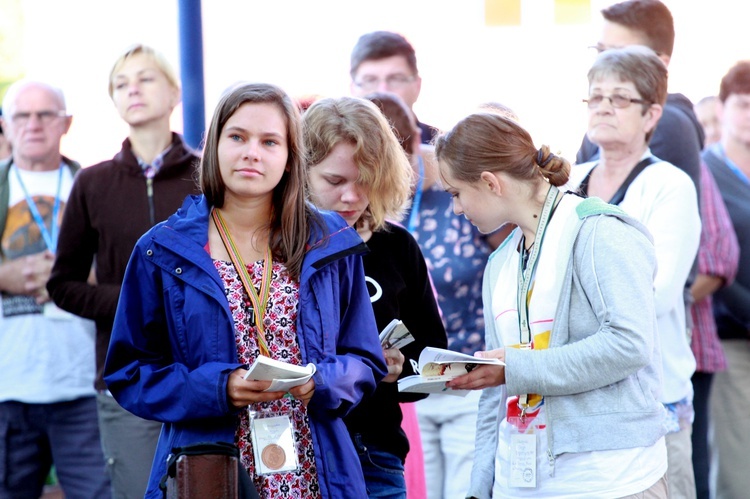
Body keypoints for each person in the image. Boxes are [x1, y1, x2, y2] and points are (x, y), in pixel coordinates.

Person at [103, 82, 387, 499]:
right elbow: (129, 373)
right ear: (215, 144)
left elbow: (365, 359)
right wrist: (219, 387)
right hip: (210, 466)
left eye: (270, 141)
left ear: (291, 158)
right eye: (237, 137)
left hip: (316, 469)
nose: (252, 152)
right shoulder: (160, 249)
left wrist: (321, 381)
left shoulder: (331, 240)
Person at [435, 111, 668, 498]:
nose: (456, 209)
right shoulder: (499, 263)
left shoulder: (600, 232)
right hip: (520, 484)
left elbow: (629, 344)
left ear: (490, 182)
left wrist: (516, 366)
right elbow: (498, 392)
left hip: (609, 481)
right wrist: (481, 485)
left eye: (456, 193)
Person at [45, 44, 200, 498]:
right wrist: (130, 303)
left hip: (205, 375)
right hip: (128, 380)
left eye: (145, 78)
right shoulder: (91, 184)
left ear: (174, 93)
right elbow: (63, 284)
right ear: (113, 101)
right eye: (120, 83)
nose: (132, 89)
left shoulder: (207, 176)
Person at [568, 45, 701, 499]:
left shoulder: (669, 185)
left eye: (620, 98)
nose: (604, 105)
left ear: (651, 115)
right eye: (596, 96)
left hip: (652, 398)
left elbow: (657, 294)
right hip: (580, 399)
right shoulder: (569, 183)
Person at [303, 95, 448, 498]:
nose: (352, 197)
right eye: (335, 182)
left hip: (376, 453)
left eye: (365, 181)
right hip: (298, 451)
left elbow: (433, 358)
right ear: (300, 172)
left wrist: (401, 369)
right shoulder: (277, 247)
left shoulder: (397, 246)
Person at [0, 79, 110, 498]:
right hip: (8, 388)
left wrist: (74, 281)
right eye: (21, 115)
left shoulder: (95, 186)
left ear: (66, 123)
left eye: (45, 114)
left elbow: (127, 271)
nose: (33, 124)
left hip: (81, 384)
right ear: (6, 127)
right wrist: (4, 276)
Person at [577, 0, 703, 196]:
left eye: (621, 55)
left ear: (660, 64)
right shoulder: (603, 120)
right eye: (601, 51)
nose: (604, 62)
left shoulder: (665, 122)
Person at [703, 60, 750, 499]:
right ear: (722, 107)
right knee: (738, 469)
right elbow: (711, 263)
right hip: (734, 336)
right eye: (743, 104)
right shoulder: (705, 171)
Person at [350, 30, 439, 145]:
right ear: (353, 88)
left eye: (396, 78)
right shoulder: (327, 149)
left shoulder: (444, 153)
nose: (383, 91)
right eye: (370, 80)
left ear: (417, 86)